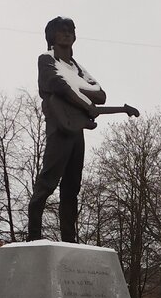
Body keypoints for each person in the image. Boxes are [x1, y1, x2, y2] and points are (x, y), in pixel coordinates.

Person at [27, 17, 107, 242]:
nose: (67, 33)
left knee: (72, 186)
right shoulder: (46, 60)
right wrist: (84, 104)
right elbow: (56, 85)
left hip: (76, 131)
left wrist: (80, 100)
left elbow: (101, 94)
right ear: (51, 36)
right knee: (47, 182)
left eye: (70, 30)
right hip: (58, 128)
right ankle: (34, 237)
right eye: (61, 30)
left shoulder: (77, 68)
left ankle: (70, 240)